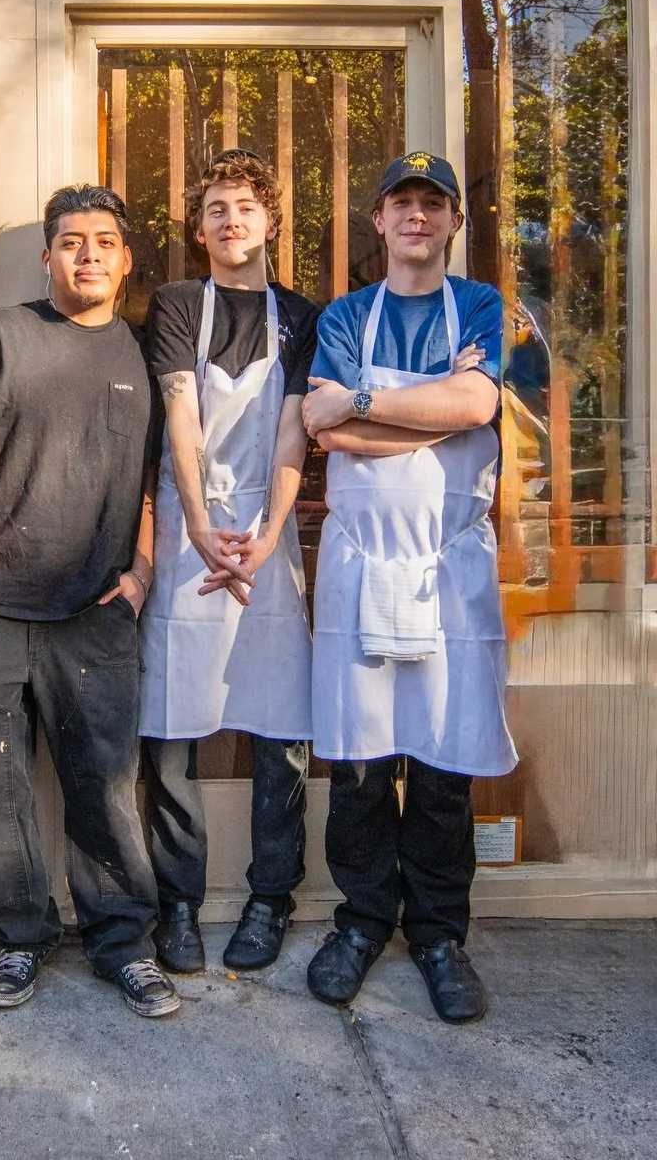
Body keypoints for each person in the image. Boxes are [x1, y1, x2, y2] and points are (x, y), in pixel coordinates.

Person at [0, 182, 179, 1019]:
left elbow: (152, 480)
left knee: (103, 786)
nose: (89, 255)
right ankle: (21, 939)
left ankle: (122, 945)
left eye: (105, 241)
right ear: (47, 256)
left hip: (97, 611)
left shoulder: (144, 354)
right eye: (72, 241)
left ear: (126, 257)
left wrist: (142, 570)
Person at [301, 150, 516, 1025]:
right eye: (403, 203)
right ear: (380, 222)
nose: (418, 217)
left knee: (441, 764)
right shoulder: (348, 314)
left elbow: (475, 408)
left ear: (454, 222)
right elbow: (321, 423)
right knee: (358, 762)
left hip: (448, 568)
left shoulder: (481, 306)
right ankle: (360, 920)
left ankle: (436, 932)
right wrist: (419, 410)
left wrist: (365, 410)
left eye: (435, 203)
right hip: (360, 563)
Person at [140, 150, 319, 975]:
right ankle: (178, 900)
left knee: (280, 728)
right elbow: (182, 415)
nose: (231, 219)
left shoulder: (300, 314)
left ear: (271, 221)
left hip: (268, 533)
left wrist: (269, 529)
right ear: (198, 225)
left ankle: (270, 897)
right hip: (189, 531)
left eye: (245, 206)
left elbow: (292, 429)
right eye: (215, 207)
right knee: (172, 728)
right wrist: (207, 525)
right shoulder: (177, 304)